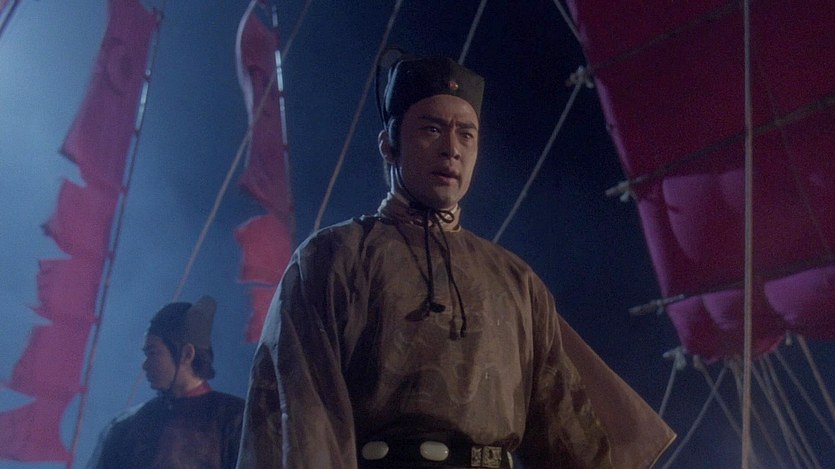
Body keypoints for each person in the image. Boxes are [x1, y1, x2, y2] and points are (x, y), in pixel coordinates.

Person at [237, 54, 675, 468]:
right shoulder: (335, 258)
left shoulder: (515, 281)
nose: (452, 149)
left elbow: (568, 432)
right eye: (431, 129)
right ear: (389, 145)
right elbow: (300, 418)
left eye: (466, 134)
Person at [88, 296, 245, 469]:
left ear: (187, 354)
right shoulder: (127, 426)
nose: (145, 365)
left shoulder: (235, 420)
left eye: (153, 353)